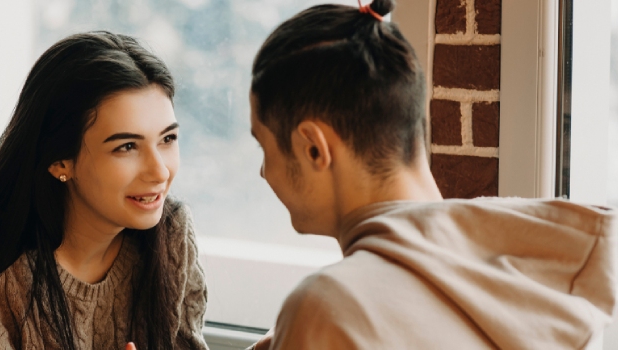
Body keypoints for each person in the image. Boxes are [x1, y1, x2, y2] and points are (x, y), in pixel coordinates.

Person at [247, 1, 617, 349]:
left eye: (264, 147)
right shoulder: (528, 282)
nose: (264, 173)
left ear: (314, 148)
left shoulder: (330, 308)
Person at [0, 32, 208, 350]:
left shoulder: (171, 235)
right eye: (127, 146)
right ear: (60, 162)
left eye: (168, 139)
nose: (160, 171)